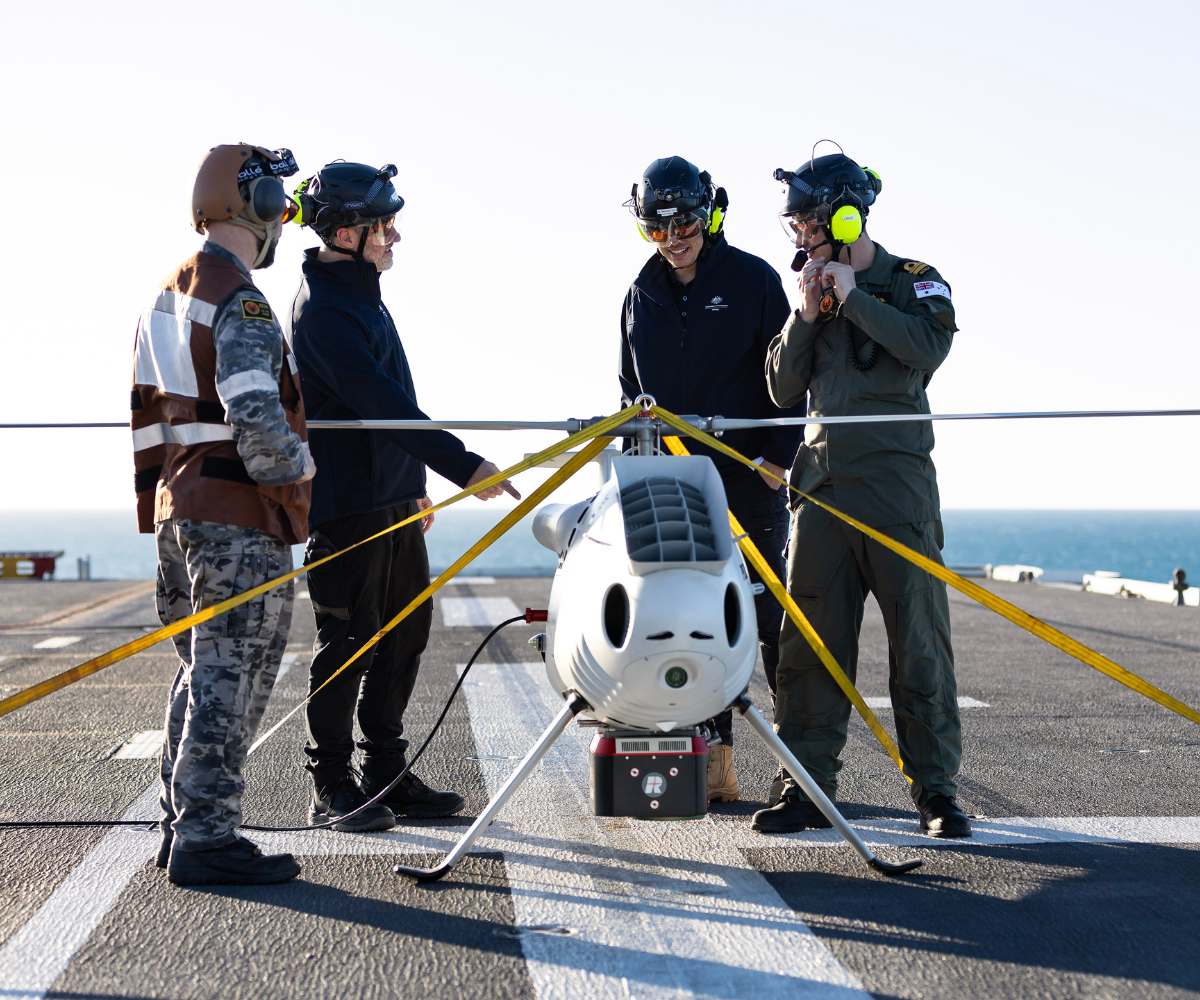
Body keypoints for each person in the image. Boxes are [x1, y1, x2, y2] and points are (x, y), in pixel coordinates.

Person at [289, 161, 520, 832]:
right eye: (384, 224)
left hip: (391, 500)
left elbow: (394, 401)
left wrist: (415, 488)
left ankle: (384, 771)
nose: (395, 236)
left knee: (405, 636)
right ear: (345, 230)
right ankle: (332, 783)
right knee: (350, 642)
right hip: (349, 508)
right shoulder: (325, 310)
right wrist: (463, 465)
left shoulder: (358, 293)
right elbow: (382, 407)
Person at [756, 145, 970, 837]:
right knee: (808, 644)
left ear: (845, 216)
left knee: (919, 643)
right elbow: (781, 386)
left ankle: (935, 792)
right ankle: (806, 784)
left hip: (896, 492)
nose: (799, 236)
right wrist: (807, 315)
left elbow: (928, 349)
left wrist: (856, 300)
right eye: (794, 225)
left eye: (807, 222)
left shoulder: (915, 280)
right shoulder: (809, 293)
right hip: (821, 493)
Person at [132, 143, 316, 885]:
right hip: (237, 511)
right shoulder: (237, 296)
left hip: (182, 506)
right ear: (261, 205)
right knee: (230, 676)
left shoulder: (167, 291)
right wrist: (299, 470)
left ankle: (183, 826)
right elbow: (253, 409)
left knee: (198, 671)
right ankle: (208, 837)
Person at [618, 155, 800, 802]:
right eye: (657, 228)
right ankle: (713, 762)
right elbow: (628, 392)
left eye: (685, 222)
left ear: (710, 211)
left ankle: (799, 766)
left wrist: (780, 455)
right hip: (674, 489)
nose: (673, 238)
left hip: (751, 480)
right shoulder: (639, 294)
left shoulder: (753, 281)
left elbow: (788, 379)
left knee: (766, 619)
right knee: (690, 621)